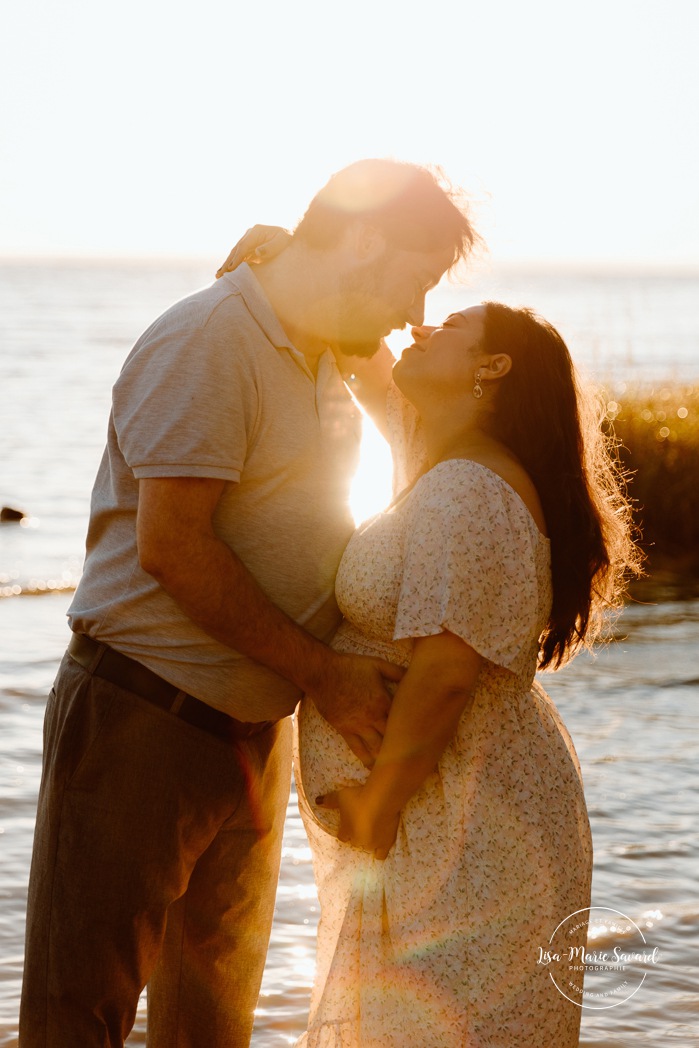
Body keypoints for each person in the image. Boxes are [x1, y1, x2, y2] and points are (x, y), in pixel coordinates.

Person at [19, 160, 478, 1047]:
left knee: (212, 1030)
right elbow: (174, 549)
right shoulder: (209, 340)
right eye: (413, 280)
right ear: (363, 238)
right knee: (79, 1017)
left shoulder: (324, 349)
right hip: (142, 720)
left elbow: (420, 442)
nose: (413, 312)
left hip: (254, 734)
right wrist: (328, 678)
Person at [219, 229, 641, 1046]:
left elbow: (445, 672)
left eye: (449, 328)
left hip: (467, 824)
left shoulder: (466, 489)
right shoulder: (442, 458)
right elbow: (366, 355)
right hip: (454, 814)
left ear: (492, 369)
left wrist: (377, 804)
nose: (419, 327)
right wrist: (291, 262)